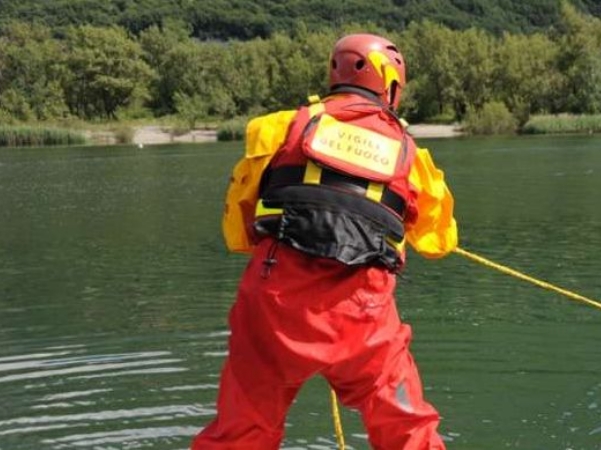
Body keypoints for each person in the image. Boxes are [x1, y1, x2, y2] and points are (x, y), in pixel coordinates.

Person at [191, 33, 458, 450]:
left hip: (273, 302)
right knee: (408, 430)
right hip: (363, 315)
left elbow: (237, 229)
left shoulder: (277, 129)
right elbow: (439, 241)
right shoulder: (411, 155)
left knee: (242, 432)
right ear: (390, 86)